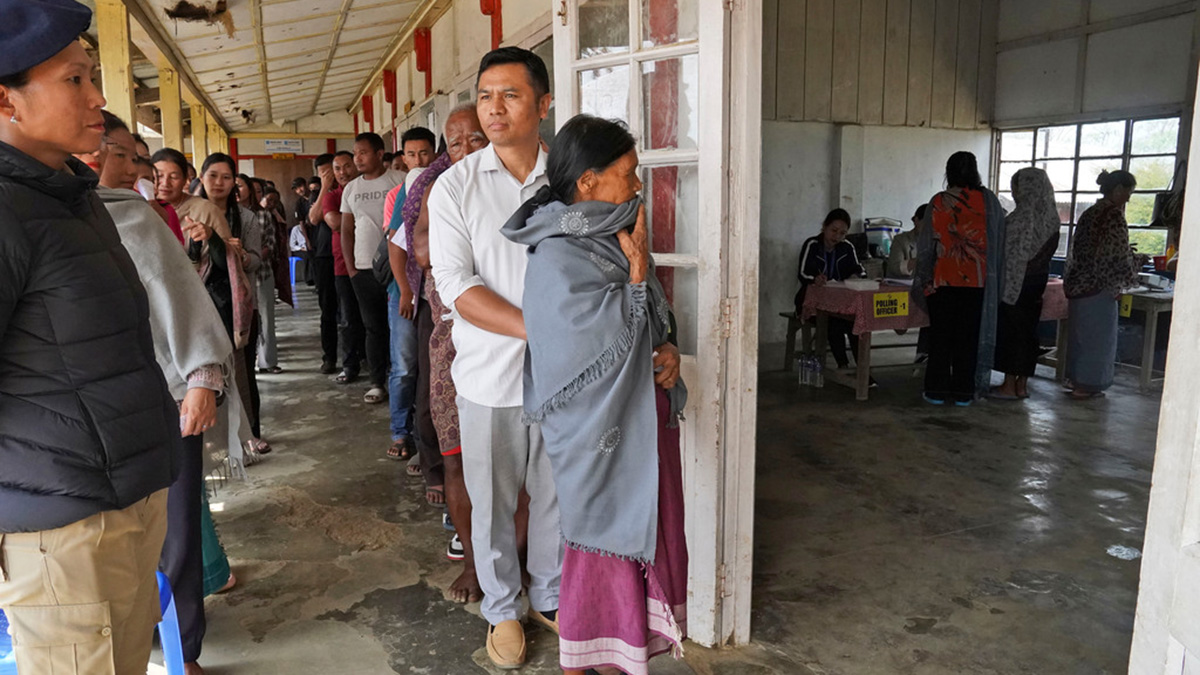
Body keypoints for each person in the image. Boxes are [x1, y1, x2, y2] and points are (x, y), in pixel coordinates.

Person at [0, 6, 182, 672]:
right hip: (62, 526)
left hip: (121, 502)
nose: (100, 100)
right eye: (75, 79)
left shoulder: (66, 198)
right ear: (5, 99)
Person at [502, 114, 689, 675]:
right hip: (601, 438)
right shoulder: (557, 254)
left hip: (645, 424)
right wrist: (633, 285)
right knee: (603, 546)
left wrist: (671, 350)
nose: (636, 187)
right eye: (628, 174)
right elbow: (579, 345)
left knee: (654, 538)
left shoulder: (616, 234)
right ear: (587, 182)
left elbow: (654, 319)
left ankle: (634, 655)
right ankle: (597, 659)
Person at [428, 46, 562, 670]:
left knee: (558, 493)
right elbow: (457, 287)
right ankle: (503, 609)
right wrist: (546, 329)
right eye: (486, 95)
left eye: (509, 94)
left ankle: (553, 596)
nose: (494, 107)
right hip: (490, 376)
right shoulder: (455, 186)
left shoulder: (570, 177)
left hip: (565, 376)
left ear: (543, 103)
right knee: (492, 501)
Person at [88, 110, 232, 675]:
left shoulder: (136, 218)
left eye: (135, 156)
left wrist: (201, 380)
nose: (133, 168)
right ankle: (132, 633)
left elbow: (182, 299)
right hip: (89, 410)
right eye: (120, 154)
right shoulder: (35, 214)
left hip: (164, 396)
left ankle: (183, 646)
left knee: (175, 527)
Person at [409, 104, 490, 601]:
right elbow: (421, 249)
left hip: (511, 344)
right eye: (455, 143)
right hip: (453, 342)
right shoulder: (442, 188)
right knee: (457, 458)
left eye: (475, 140)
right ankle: (477, 564)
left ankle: (517, 560)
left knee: (518, 465)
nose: (465, 152)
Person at [914, 151, 1005, 406]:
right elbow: (999, 242)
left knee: (941, 338)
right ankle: (964, 393)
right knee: (968, 338)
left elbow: (926, 246)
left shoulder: (939, 201)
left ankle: (935, 391)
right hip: (976, 282)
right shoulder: (989, 202)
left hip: (942, 281)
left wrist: (924, 279)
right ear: (975, 171)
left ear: (949, 172)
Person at [1063, 170, 1145, 399]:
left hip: (1079, 284)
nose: (1129, 198)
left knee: (1080, 338)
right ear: (1118, 190)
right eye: (1128, 192)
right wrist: (1137, 261)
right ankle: (1087, 386)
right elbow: (1114, 257)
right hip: (1098, 288)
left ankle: (1075, 381)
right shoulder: (1114, 216)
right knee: (1097, 341)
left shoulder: (1090, 213)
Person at [382, 126, 435, 465]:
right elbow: (396, 243)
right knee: (404, 367)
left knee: (430, 369)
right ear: (403, 158)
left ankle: (424, 435)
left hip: (433, 294)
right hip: (403, 291)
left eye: (425, 153)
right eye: (411, 154)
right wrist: (405, 291)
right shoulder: (400, 193)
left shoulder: (443, 182)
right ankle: (400, 430)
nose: (418, 160)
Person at [341, 132, 404, 404]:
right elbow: (346, 230)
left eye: (363, 152)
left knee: (400, 326)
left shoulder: (398, 181)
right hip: (363, 268)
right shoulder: (351, 189)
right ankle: (377, 382)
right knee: (373, 327)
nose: (357, 158)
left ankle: (401, 379)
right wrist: (351, 268)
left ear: (380, 154)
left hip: (397, 267)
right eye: (355, 153)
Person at [992, 168, 1060, 400]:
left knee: (1012, 333)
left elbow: (1010, 255)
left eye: (1016, 187)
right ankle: (1022, 385)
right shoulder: (1051, 217)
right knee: (1029, 333)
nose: (1014, 193)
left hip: (1015, 283)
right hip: (1038, 282)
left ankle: (1008, 385)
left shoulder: (1022, 217)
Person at [796, 208, 866, 371]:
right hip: (812, 302)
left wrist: (856, 275)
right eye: (834, 231)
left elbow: (860, 269)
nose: (837, 236)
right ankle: (843, 365)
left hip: (840, 302)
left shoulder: (847, 247)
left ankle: (863, 369)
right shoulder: (812, 244)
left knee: (856, 323)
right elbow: (802, 273)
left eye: (842, 233)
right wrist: (814, 279)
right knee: (833, 323)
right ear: (824, 227)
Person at [326, 150, 366, 384]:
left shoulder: (366, 188)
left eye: (347, 166)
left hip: (372, 263)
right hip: (344, 265)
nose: (343, 172)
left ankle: (374, 360)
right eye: (337, 168)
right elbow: (335, 222)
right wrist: (364, 220)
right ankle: (350, 365)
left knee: (374, 319)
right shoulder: (332, 196)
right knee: (349, 318)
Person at [309, 154, 341, 373]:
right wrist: (324, 187)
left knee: (351, 309)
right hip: (324, 255)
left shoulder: (348, 188)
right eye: (323, 172)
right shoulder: (317, 193)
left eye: (332, 170)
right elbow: (314, 217)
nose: (330, 175)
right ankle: (329, 356)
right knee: (328, 309)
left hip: (348, 253)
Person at [888, 204, 926, 279]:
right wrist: (920, 260)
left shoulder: (940, 242)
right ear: (916, 220)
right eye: (927, 223)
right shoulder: (901, 240)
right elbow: (894, 268)